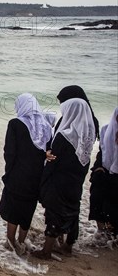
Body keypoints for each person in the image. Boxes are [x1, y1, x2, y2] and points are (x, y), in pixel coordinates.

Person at [33, 98, 95, 259]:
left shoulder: (64, 135)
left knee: (54, 212)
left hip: (59, 181)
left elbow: (53, 160)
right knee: (72, 211)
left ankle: (46, 251)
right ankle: (68, 246)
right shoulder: (87, 135)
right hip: (75, 182)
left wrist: (43, 181)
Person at [0, 94, 52, 255]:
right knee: (29, 206)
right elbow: (48, 152)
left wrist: (8, 172)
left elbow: (10, 151)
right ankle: (21, 241)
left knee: (14, 207)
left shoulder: (15, 124)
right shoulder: (45, 126)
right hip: (37, 176)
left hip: (18, 174)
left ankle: (10, 241)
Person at [88, 108, 118, 236]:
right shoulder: (106, 129)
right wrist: (98, 168)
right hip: (105, 172)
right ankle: (102, 233)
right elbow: (102, 151)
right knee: (97, 199)